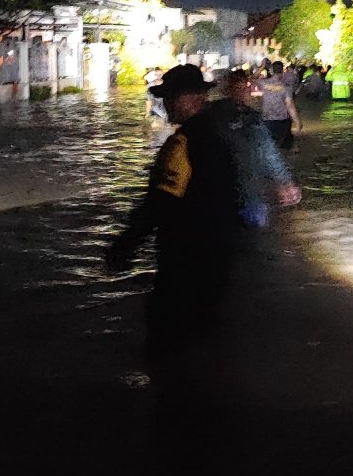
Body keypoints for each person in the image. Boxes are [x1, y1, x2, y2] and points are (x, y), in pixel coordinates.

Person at [105, 65, 248, 356]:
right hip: (219, 256)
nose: (165, 104)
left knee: (168, 341)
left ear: (193, 99)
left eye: (171, 97)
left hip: (184, 258)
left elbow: (161, 201)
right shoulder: (222, 135)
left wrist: (126, 245)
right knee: (207, 339)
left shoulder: (181, 144)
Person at [214, 68, 302, 228]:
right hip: (247, 192)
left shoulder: (210, 115)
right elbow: (269, 153)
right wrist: (285, 182)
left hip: (221, 193)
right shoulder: (250, 119)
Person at [257, 61, 302, 149]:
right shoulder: (286, 88)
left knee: (270, 148)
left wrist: (262, 66)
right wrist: (298, 122)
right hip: (283, 121)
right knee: (286, 148)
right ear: (282, 72)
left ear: (271, 71)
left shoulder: (263, 83)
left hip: (267, 120)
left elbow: (252, 78)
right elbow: (290, 106)